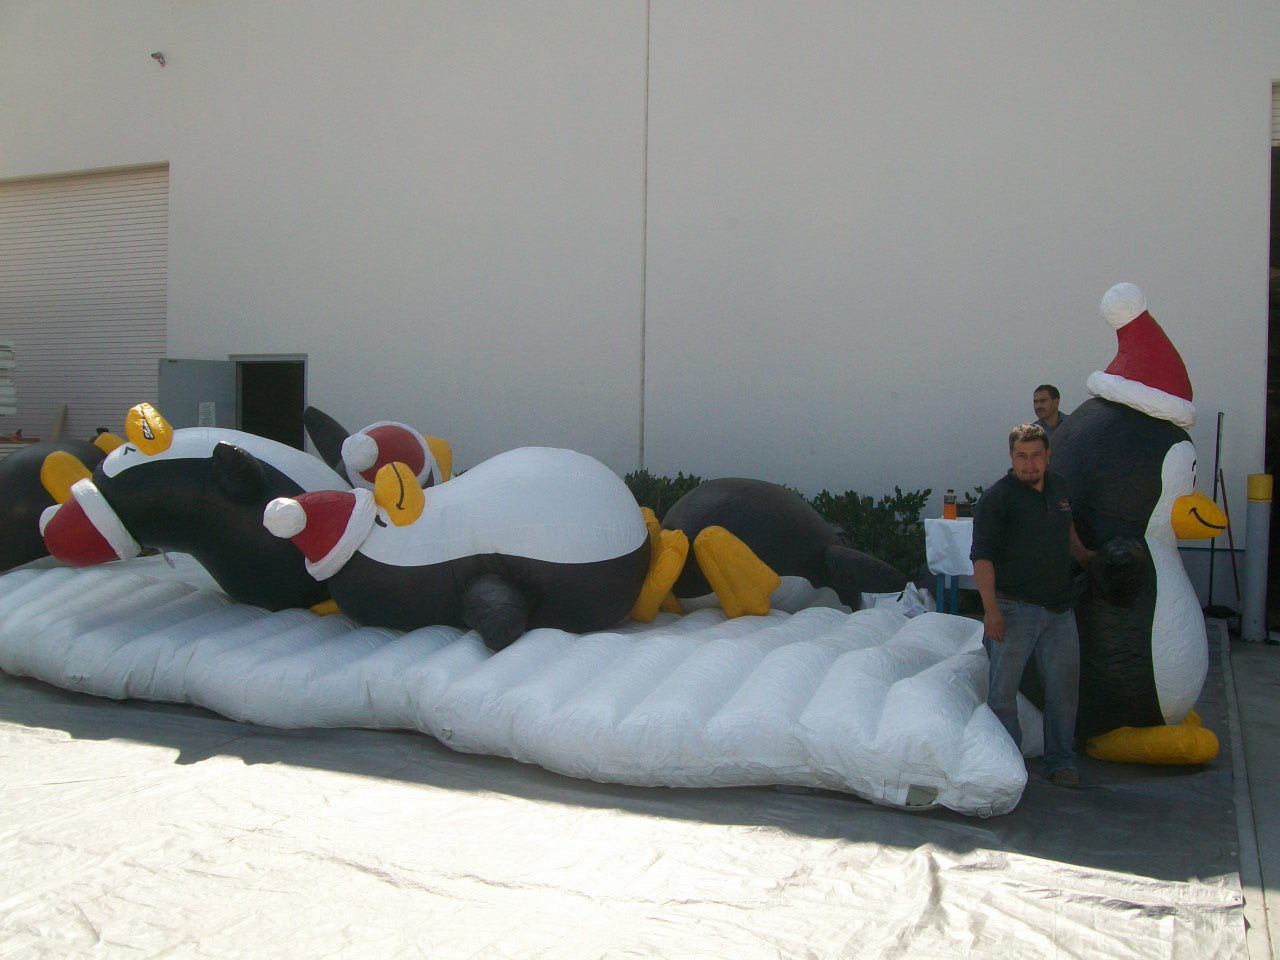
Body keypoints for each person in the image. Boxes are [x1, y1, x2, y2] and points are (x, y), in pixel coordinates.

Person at [971, 423, 1094, 787]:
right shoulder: (997, 499)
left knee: (1063, 691)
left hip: (1059, 610)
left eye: (1036, 455)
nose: (1029, 464)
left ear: (1048, 456)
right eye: (1022, 456)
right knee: (1002, 694)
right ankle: (1007, 768)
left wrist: (1084, 555)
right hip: (1013, 610)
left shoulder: (1059, 488)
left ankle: (1061, 761)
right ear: (1011, 458)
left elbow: (1065, 525)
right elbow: (982, 558)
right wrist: (991, 611)